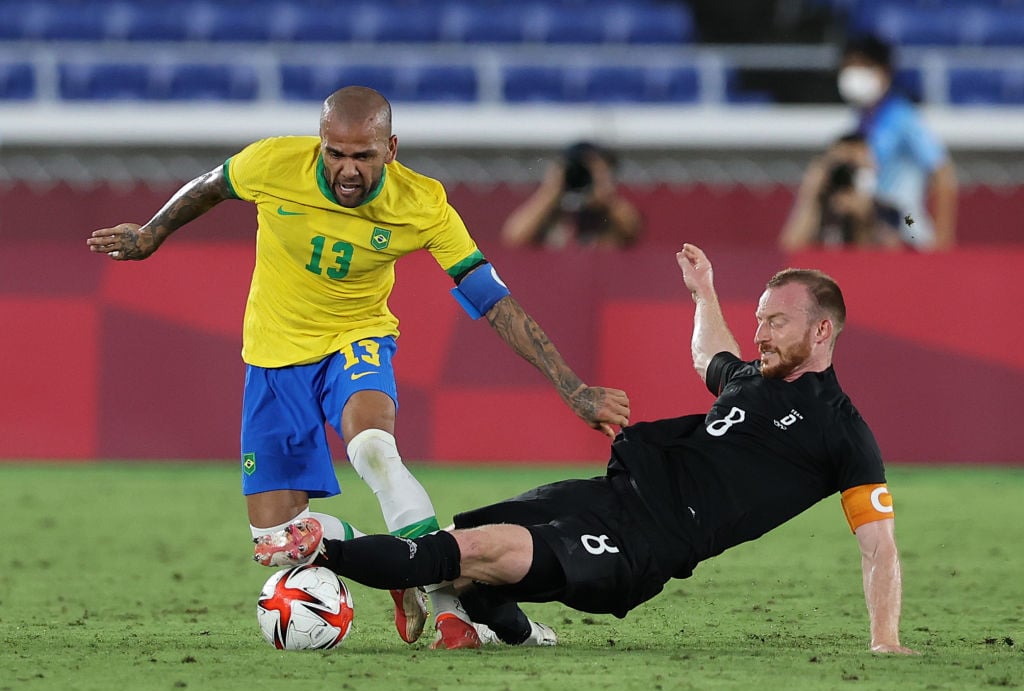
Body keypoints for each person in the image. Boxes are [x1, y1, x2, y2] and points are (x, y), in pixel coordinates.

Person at [85, 86, 630, 650]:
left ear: (390, 149)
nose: (348, 170)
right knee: (278, 542)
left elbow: (492, 299)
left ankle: (450, 610)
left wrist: (574, 389)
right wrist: (152, 232)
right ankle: (394, 565)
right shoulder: (273, 162)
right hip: (274, 357)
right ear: (320, 143)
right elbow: (212, 185)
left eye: (364, 156)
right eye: (336, 154)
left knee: (373, 448)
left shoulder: (421, 203)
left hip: (356, 339)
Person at [304, 244, 916, 654]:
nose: (760, 334)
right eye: (758, 319)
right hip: (611, 492)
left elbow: (879, 546)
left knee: (477, 550)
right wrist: (704, 293)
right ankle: (511, 631)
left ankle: (320, 549)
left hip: (644, 544)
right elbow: (710, 354)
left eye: (775, 322)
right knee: (462, 544)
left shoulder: (842, 431)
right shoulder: (751, 377)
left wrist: (884, 640)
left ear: (822, 330)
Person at [837, 34, 957, 251]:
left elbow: (943, 172)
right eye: (849, 67)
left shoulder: (903, 117)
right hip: (873, 223)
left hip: (906, 218)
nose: (854, 74)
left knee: (912, 236)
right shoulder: (860, 120)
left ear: (884, 72)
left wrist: (943, 241)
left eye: (863, 66)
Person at [501, 141, 642, 250]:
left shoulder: (610, 219)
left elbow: (632, 230)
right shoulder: (550, 216)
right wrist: (550, 192)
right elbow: (513, 239)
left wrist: (605, 194)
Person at [778, 132, 904, 252]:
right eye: (844, 166)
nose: (848, 174)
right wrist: (811, 194)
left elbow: (889, 256)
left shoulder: (887, 211)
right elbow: (791, 249)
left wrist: (864, 217)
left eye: (855, 167)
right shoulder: (818, 207)